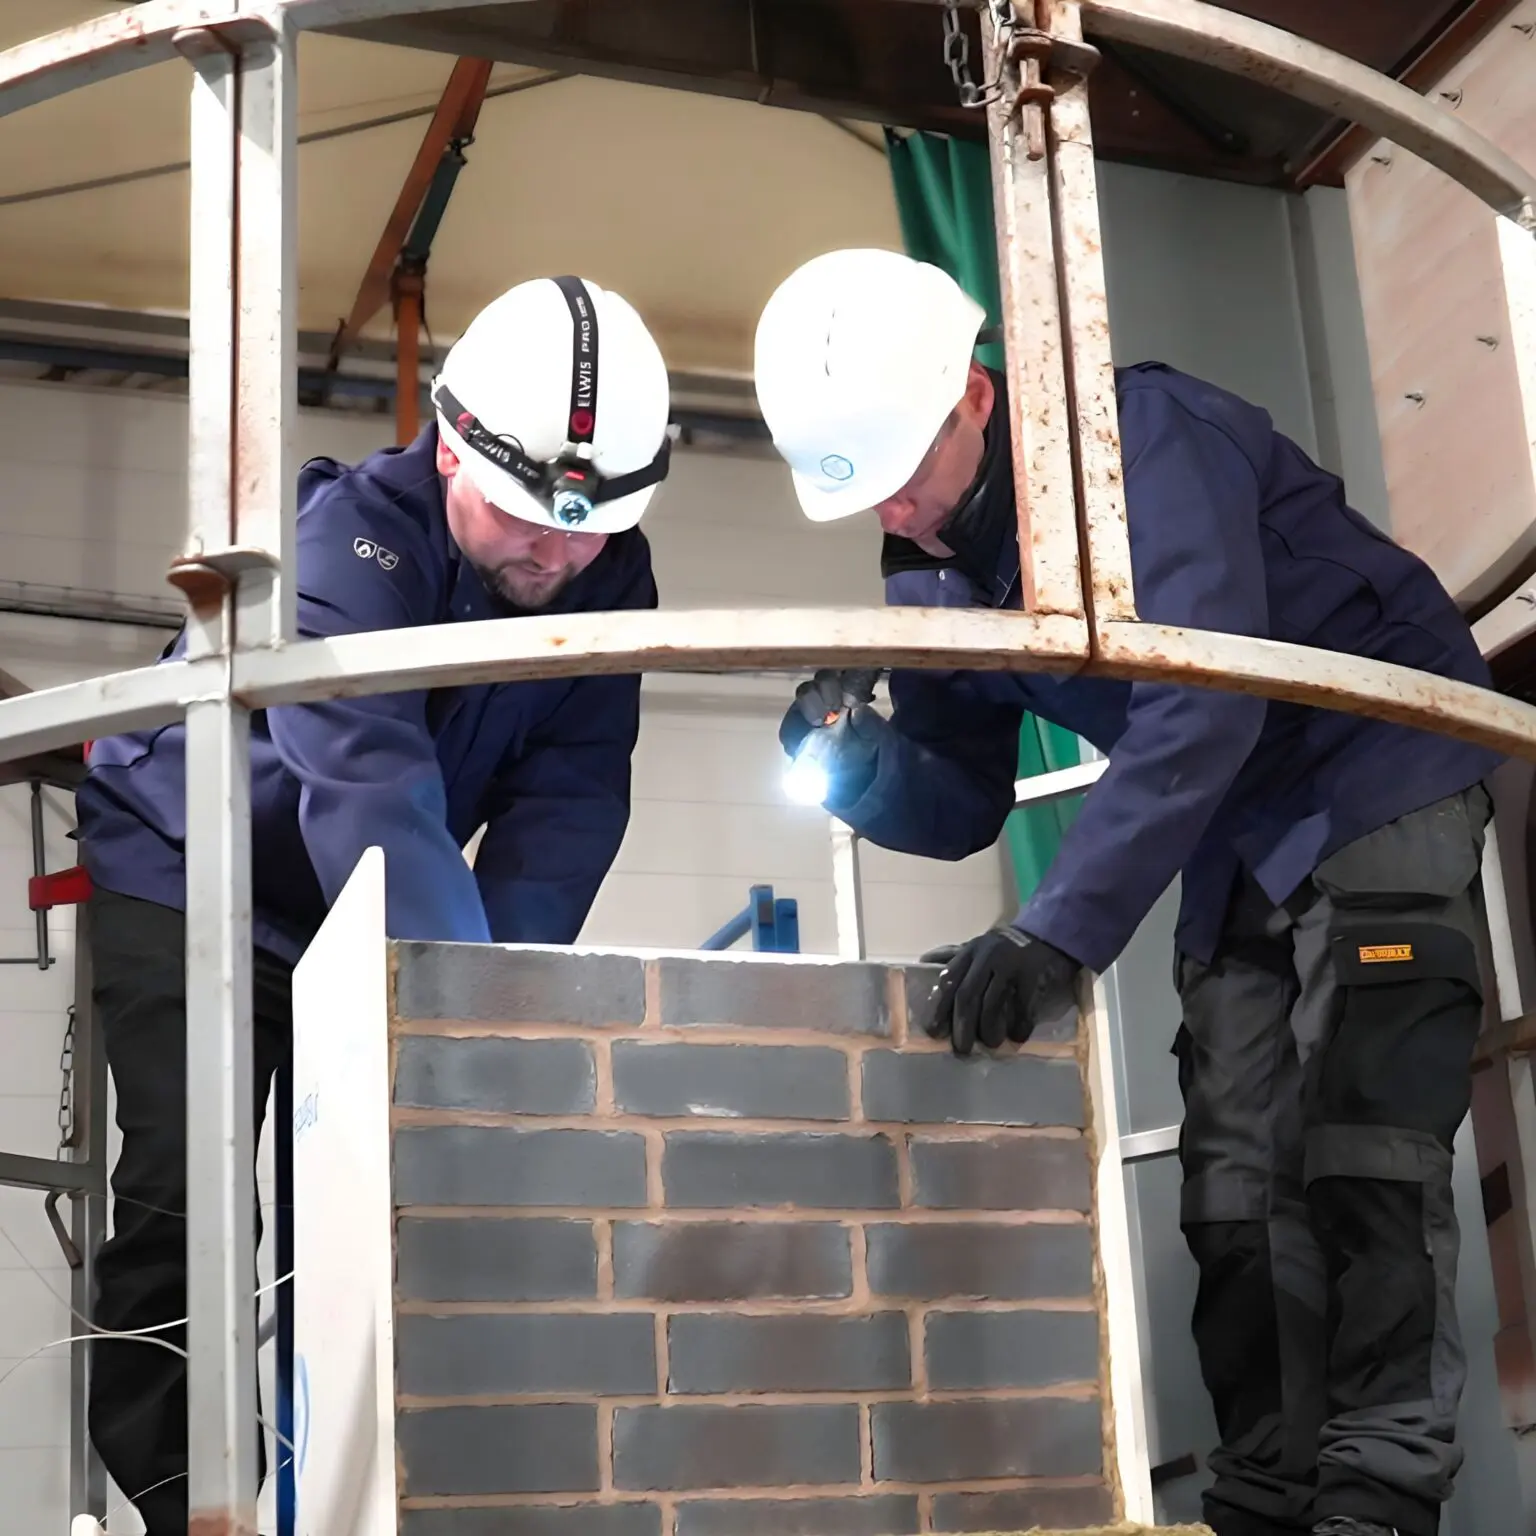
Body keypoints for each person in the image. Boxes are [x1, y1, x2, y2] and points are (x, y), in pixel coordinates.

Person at [757, 247, 1503, 1536]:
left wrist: (1057, 933)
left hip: (1379, 765)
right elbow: (966, 796)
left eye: (904, 475)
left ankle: (1376, 1503)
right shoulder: (923, 559)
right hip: (1236, 827)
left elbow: (1204, 699)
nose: (897, 513)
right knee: (1230, 1183)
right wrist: (861, 761)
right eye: (866, 494)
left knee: (1363, 1145)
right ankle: (1265, 1502)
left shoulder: (1133, 440)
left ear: (973, 396)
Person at [76, 274, 672, 1533]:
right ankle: (195, 1504)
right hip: (194, 871)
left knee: (371, 1200)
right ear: (452, 446)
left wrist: (496, 1002)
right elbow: (370, 787)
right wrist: (446, 1009)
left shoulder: (607, 575)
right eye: (525, 519)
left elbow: (570, 803)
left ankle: (353, 1502)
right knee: (192, 1186)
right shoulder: (344, 542)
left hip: (365, 899)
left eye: (588, 532)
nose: (558, 556)